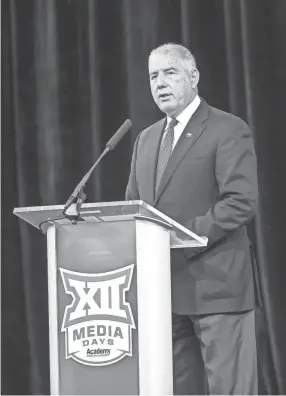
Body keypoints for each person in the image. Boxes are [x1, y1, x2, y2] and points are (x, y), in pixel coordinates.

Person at [125, 43, 259, 395]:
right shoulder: (146, 139)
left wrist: (179, 236)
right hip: (164, 295)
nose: (160, 83)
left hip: (218, 292)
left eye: (170, 72)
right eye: (153, 76)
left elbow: (241, 201)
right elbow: (134, 207)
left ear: (194, 77)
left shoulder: (227, 129)